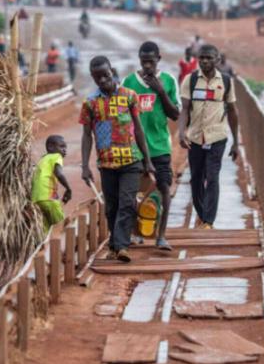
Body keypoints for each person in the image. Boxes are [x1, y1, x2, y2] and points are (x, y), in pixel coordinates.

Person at [80, 56, 156, 262]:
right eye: (98, 78)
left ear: (111, 71)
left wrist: (147, 160)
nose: (103, 80)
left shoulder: (130, 96)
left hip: (132, 160)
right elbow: (87, 135)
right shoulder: (90, 103)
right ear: (93, 78)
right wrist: (85, 165)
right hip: (106, 164)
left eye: (105, 75)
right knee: (112, 206)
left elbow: (139, 130)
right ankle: (115, 244)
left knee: (127, 202)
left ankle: (122, 246)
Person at [122, 41, 180, 250]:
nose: (147, 66)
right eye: (144, 61)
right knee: (134, 191)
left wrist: (160, 91)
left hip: (160, 146)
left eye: (151, 62)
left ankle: (161, 236)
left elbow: (175, 114)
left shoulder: (168, 80)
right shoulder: (129, 82)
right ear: (139, 59)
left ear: (158, 59)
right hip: (134, 148)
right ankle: (135, 232)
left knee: (164, 188)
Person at [178, 44, 239, 229]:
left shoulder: (226, 81)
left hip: (217, 137)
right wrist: (182, 132)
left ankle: (208, 221)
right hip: (196, 137)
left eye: (209, 58)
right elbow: (185, 109)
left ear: (217, 60)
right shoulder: (191, 80)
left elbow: (232, 111)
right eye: (202, 58)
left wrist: (236, 142)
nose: (204, 61)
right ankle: (202, 213)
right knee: (196, 178)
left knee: (212, 176)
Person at [31, 135, 72, 232]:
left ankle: (44, 245)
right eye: (62, 147)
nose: (64, 150)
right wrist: (68, 189)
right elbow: (59, 174)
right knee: (62, 225)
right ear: (50, 147)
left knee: (46, 230)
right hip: (48, 198)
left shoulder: (42, 159)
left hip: (36, 200)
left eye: (65, 147)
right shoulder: (56, 156)